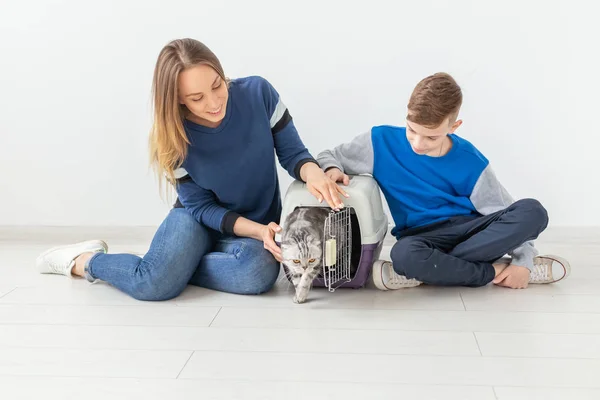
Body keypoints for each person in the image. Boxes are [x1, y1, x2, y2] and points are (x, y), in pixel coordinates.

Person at [35, 38, 346, 301]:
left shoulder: (258, 94)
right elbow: (200, 207)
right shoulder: (172, 137)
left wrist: (313, 173)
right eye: (197, 98)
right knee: (154, 285)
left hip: (251, 225)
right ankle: (85, 261)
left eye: (216, 85)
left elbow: (294, 155)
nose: (213, 102)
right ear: (179, 102)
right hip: (196, 218)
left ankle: (170, 266)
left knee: (259, 274)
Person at [317, 72, 570, 290]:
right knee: (403, 255)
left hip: (470, 232)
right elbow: (329, 155)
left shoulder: (471, 160)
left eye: (430, 137)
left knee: (533, 212)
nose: (417, 143)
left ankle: (428, 273)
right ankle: (493, 272)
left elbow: (502, 211)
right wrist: (332, 169)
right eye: (411, 130)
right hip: (421, 238)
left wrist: (523, 261)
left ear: (454, 126)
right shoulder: (379, 141)